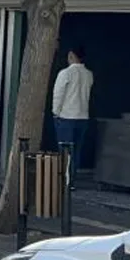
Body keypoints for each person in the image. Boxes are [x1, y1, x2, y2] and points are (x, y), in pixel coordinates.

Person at [52, 45, 93, 188]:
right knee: (77, 150)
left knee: (65, 150)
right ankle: (72, 180)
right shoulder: (89, 74)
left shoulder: (65, 73)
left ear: (71, 55)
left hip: (66, 116)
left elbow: (58, 95)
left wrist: (56, 112)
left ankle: (64, 180)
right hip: (83, 116)